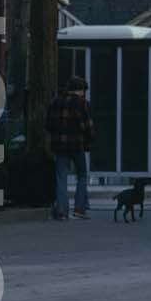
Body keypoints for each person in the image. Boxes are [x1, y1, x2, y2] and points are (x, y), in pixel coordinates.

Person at [46, 76, 95, 220]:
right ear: (79, 90)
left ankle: (62, 211)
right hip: (76, 145)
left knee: (61, 177)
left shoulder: (55, 102)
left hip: (59, 146)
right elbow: (87, 126)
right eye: (83, 90)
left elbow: (48, 125)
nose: (84, 94)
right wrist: (90, 139)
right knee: (82, 175)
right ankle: (79, 209)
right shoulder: (81, 103)